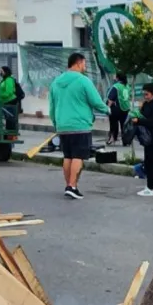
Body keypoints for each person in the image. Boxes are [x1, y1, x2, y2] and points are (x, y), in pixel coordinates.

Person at [49, 53, 110, 199]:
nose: (85, 67)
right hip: (80, 124)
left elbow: (52, 106)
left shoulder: (56, 82)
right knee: (78, 156)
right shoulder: (83, 81)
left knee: (67, 156)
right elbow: (95, 101)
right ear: (78, 63)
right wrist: (107, 110)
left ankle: (69, 185)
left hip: (62, 125)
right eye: (84, 64)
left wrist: (56, 123)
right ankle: (72, 186)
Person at [107, 72, 130, 144]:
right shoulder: (127, 86)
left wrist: (108, 108)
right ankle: (125, 140)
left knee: (113, 124)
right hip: (125, 108)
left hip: (116, 108)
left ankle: (112, 138)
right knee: (124, 125)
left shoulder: (116, 86)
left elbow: (110, 99)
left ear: (117, 78)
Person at [0, 66, 19, 130]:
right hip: (5, 102)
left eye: (2, 71)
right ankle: (8, 133)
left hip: (10, 101)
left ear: (6, 72)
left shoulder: (9, 79)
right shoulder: (4, 79)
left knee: (10, 119)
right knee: (7, 119)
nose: (0, 72)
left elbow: (9, 92)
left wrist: (0, 96)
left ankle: (11, 134)